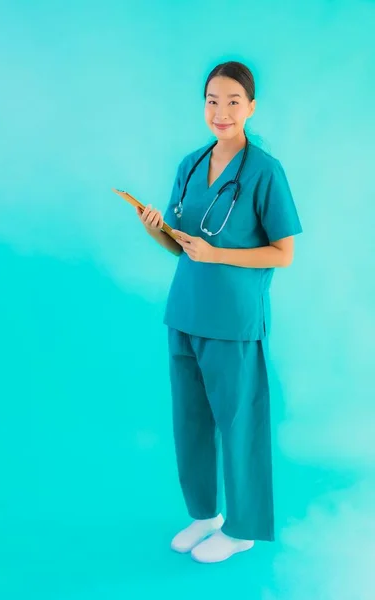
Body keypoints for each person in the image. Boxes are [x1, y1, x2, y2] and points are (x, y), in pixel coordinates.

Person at [136, 61, 303, 564]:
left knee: (239, 425)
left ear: (251, 107)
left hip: (233, 320)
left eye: (233, 101)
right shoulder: (190, 164)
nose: (221, 111)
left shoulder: (265, 172)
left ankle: (243, 527)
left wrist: (218, 254)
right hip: (184, 311)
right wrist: (155, 229)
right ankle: (204, 515)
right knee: (189, 422)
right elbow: (181, 245)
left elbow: (283, 252)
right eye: (213, 100)